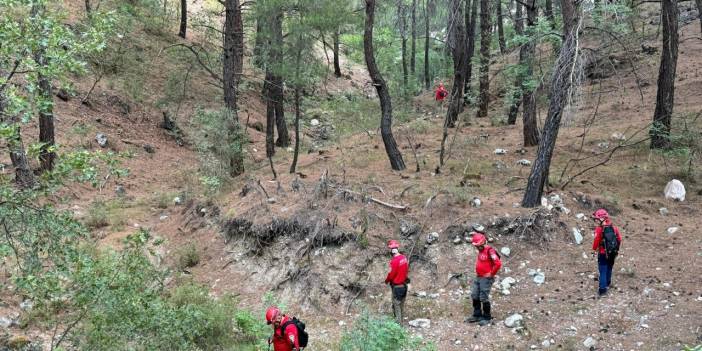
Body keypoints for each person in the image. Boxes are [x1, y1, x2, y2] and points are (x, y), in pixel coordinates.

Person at [465, 231, 501, 326]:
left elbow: (498, 263)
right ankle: (477, 315)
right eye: (476, 246)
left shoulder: (490, 250)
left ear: (483, 243)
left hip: (486, 279)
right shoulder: (480, 251)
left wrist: (491, 274)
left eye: (478, 246)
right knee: (474, 295)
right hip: (479, 277)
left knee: (483, 297)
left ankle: (487, 317)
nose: (477, 248)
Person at [591, 209, 622, 297]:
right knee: (609, 268)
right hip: (613, 253)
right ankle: (608, 283)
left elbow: (596, 241)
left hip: (603, 253)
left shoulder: (599, 229)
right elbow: (619, 239)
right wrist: (616, 249)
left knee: (603, 270)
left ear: (602, 219)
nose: (596, 221)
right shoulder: (614, 228)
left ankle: (602, 290)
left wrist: (593, 250)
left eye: (597, 219)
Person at [384, 239, 409, 324]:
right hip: (404, 286)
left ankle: (398, 327)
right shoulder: (404, 258)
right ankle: (401, 324)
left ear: (391, 250)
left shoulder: (394, 261)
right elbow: (405, 271)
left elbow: (391, 274)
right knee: (401, 306)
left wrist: (386, 280)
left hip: (397, 287)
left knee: (396, 307)